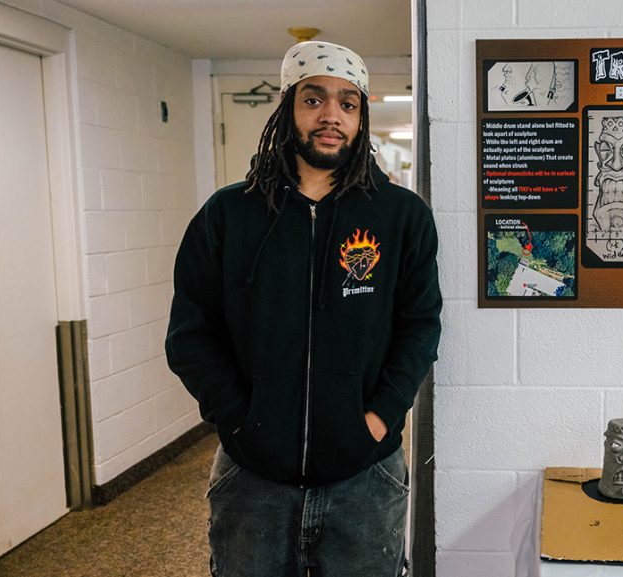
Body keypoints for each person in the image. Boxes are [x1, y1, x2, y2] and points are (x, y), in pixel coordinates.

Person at [165, 40, 441, 577]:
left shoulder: (401, 216)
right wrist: (241, 420)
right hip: (252, 479)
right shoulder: (228, 216)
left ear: (361, 118)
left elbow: (420, 327)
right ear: (288, 109)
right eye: (314, 100)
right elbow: (190, 335)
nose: (330, 115)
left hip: (365, 475)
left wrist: (380, 418)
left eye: (347, 102)